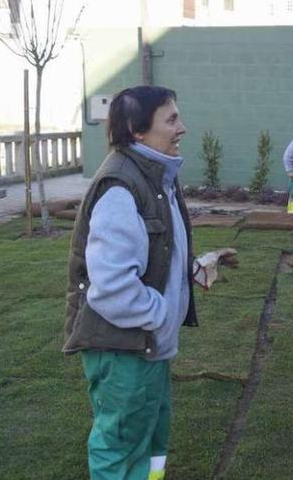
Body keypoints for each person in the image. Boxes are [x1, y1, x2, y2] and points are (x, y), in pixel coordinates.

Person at [62, 85, 197, 480]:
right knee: (119, 446)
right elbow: (112, 286)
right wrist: (162, 313)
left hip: (147, 344)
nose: (181, 128)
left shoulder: (154, 176)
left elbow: (158, 254)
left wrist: (189, 275)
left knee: (153, 439)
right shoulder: (121, 188)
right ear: (138, 131)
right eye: (171, 119)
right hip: (124, 348)